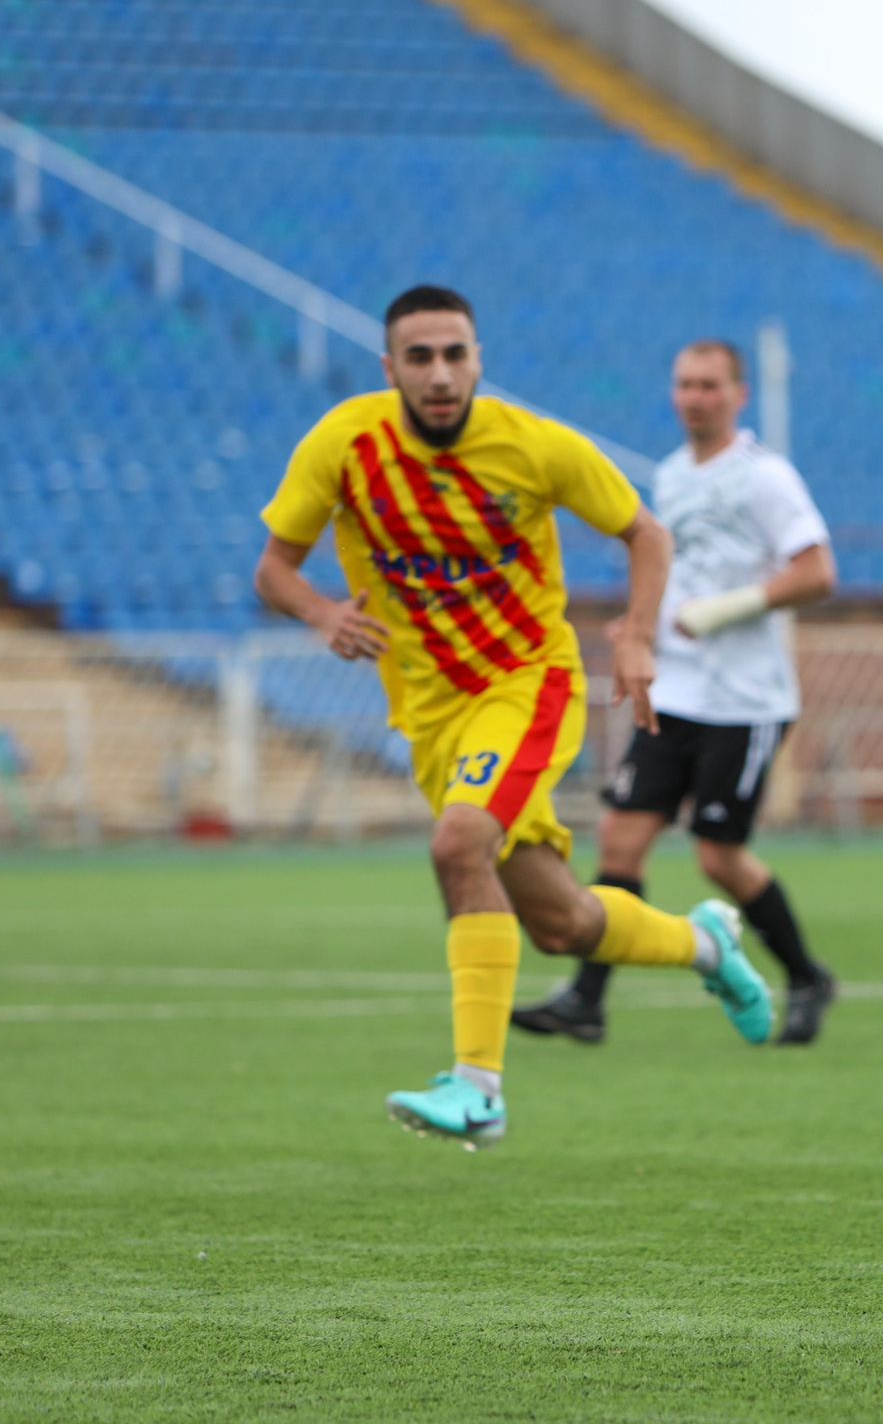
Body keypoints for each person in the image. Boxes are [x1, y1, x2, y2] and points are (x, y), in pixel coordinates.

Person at [253, 286, 777, 1152]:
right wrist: (319, 612)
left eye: (455, 353)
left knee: (460, 846)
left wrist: (638, 636)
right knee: (561, 921)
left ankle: (478, 1089)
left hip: (525, 682)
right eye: (419, 357)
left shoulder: (532, 445)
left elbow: (646, 533)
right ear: (391, 370)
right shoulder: (344, 443)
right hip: (430, 714)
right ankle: (706, 944)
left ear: (478, 360)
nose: (440, 373)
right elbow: (274, 567)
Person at [512, 339, 840, 1047]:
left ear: (737, 395)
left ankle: (807, 976)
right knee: (622, 839)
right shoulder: (670, 474)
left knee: (717, 855)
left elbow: (817, 571)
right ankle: (586, 1000)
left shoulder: (765, 477)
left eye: (710, 385)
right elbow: (672, 570)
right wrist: (640, 623)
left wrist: (724, 610)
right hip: (677, 692)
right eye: (685, 384)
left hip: (745, 699)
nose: (696, 397)